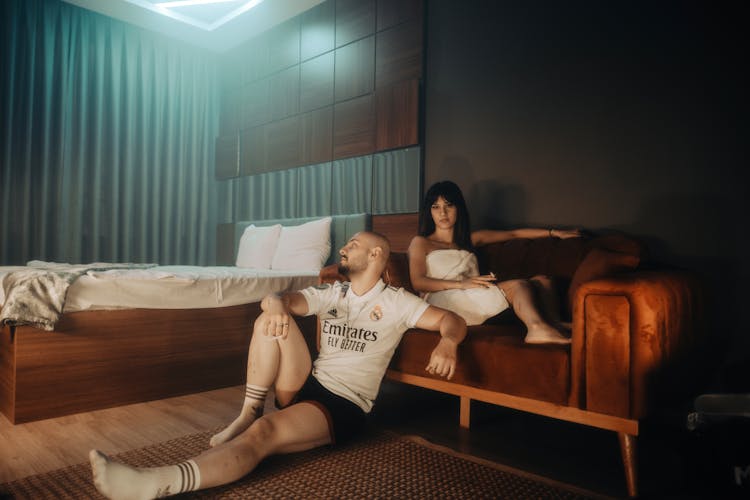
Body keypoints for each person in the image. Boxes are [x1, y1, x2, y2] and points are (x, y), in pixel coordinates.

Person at [89, 231, 467, 500]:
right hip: (307, 383)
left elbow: (452, 321)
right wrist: (273, 301)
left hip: (344, 404)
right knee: (269, 321)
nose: (343, 248)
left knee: (265, 434)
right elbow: (284, 299)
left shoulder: (399, 302)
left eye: (353, 244)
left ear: (376, 256)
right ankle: (247, 411)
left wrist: (448, 341)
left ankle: (157, 482)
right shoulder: (334, 292)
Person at [408, 180, 581, 345]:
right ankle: (536, 329)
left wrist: (554, 233)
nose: (443, 213)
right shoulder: (421, 242)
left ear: (458, 208)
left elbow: (514, 234)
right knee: (518, 285)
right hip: (445, 301)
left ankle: (553, 325)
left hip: (472, 294)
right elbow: (418, 282)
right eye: (435, 207)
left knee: (544, 281)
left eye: (449, 205)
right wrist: (461, 284)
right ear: (429, 212)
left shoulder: (470, 240)